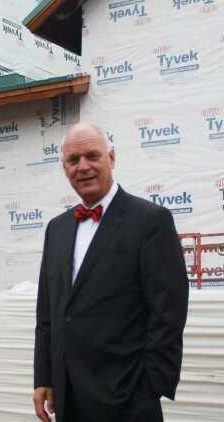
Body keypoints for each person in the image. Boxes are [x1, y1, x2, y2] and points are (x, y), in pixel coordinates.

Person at [33, 122, 189, 422]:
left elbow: (168, 312)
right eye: (73, 160)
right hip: (68, 398)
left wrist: (149, 388)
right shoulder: (57, 229)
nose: (83, 167)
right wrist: (45, 377)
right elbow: (48, 314)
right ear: (64, 168)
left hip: (128, 401)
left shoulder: (150, 221)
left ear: (112, 158)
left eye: (92, 156)